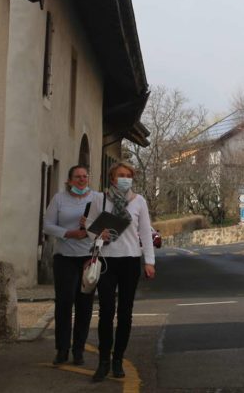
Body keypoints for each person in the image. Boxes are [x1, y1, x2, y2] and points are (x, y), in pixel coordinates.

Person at [88, 162, 156, 382]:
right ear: (112, 178)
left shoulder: (139, 201)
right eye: (121, 175)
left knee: (125, 313)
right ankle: (103, 361)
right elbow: (90, 226)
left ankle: (118, 360)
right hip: (107, 260)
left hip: (130, 260)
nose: (126, 178)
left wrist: (149, 261)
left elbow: (145, 232)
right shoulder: (100, 199)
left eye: (129, 175)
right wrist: (99, 234)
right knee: (106, 312)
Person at [42, 164, 97, 366]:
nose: (82, 180)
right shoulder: (59, 199)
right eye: (78, 177)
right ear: (69, 180)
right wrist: (68, 233)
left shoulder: (96, 198)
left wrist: (90, 227)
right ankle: (62, 349)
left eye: (85, 176)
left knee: (85, 305)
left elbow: (107, 225)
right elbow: (47, 225)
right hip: (64, 257)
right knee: (64, 304)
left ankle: (79, 350)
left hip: (88, 258)